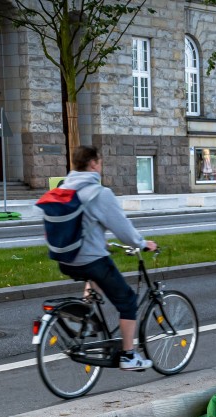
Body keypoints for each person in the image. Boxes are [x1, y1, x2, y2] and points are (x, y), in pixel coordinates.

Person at [55, 145, 158, 370]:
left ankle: (85, 315)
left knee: (95, 278)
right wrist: (142, 243)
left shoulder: (63, 189)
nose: (100, 167)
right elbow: (123, 230)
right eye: (100, 162)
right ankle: (129, 356)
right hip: (90, 259)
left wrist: (96, 239)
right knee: (128, 301)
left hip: (64, 259)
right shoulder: (100, 193)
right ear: (93, 163)